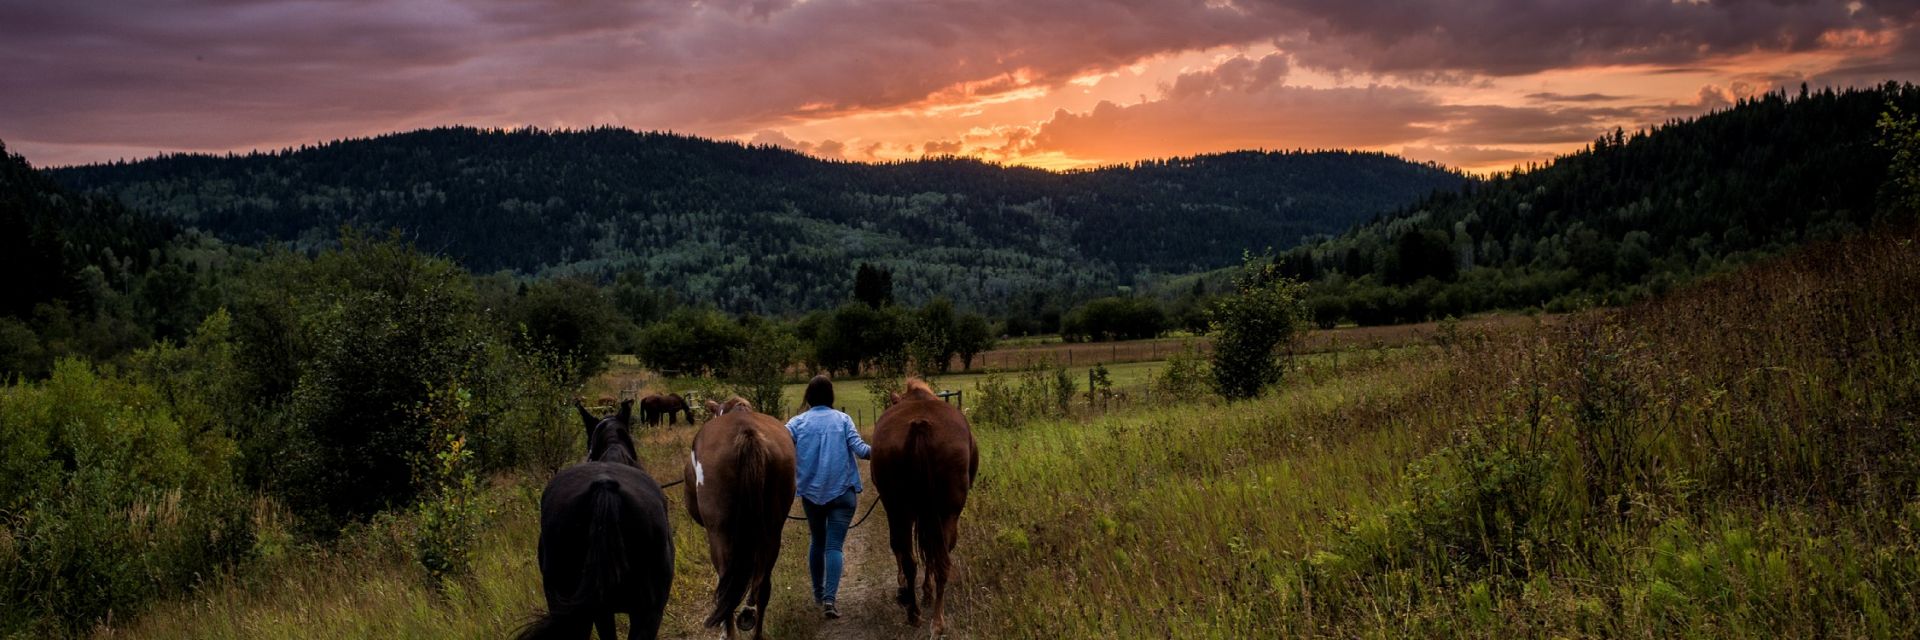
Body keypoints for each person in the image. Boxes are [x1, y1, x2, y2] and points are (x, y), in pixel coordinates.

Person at [785, 374, 871, 619]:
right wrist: (887, 452)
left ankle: (818, 594)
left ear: (808, 397)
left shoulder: (796, 423)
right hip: (843, 493)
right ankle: (830, 601)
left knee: (817, 542)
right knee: (834, 546)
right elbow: (862, 450)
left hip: (812, 496)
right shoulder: (843, 420)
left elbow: (779, 445)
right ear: (831, 396)